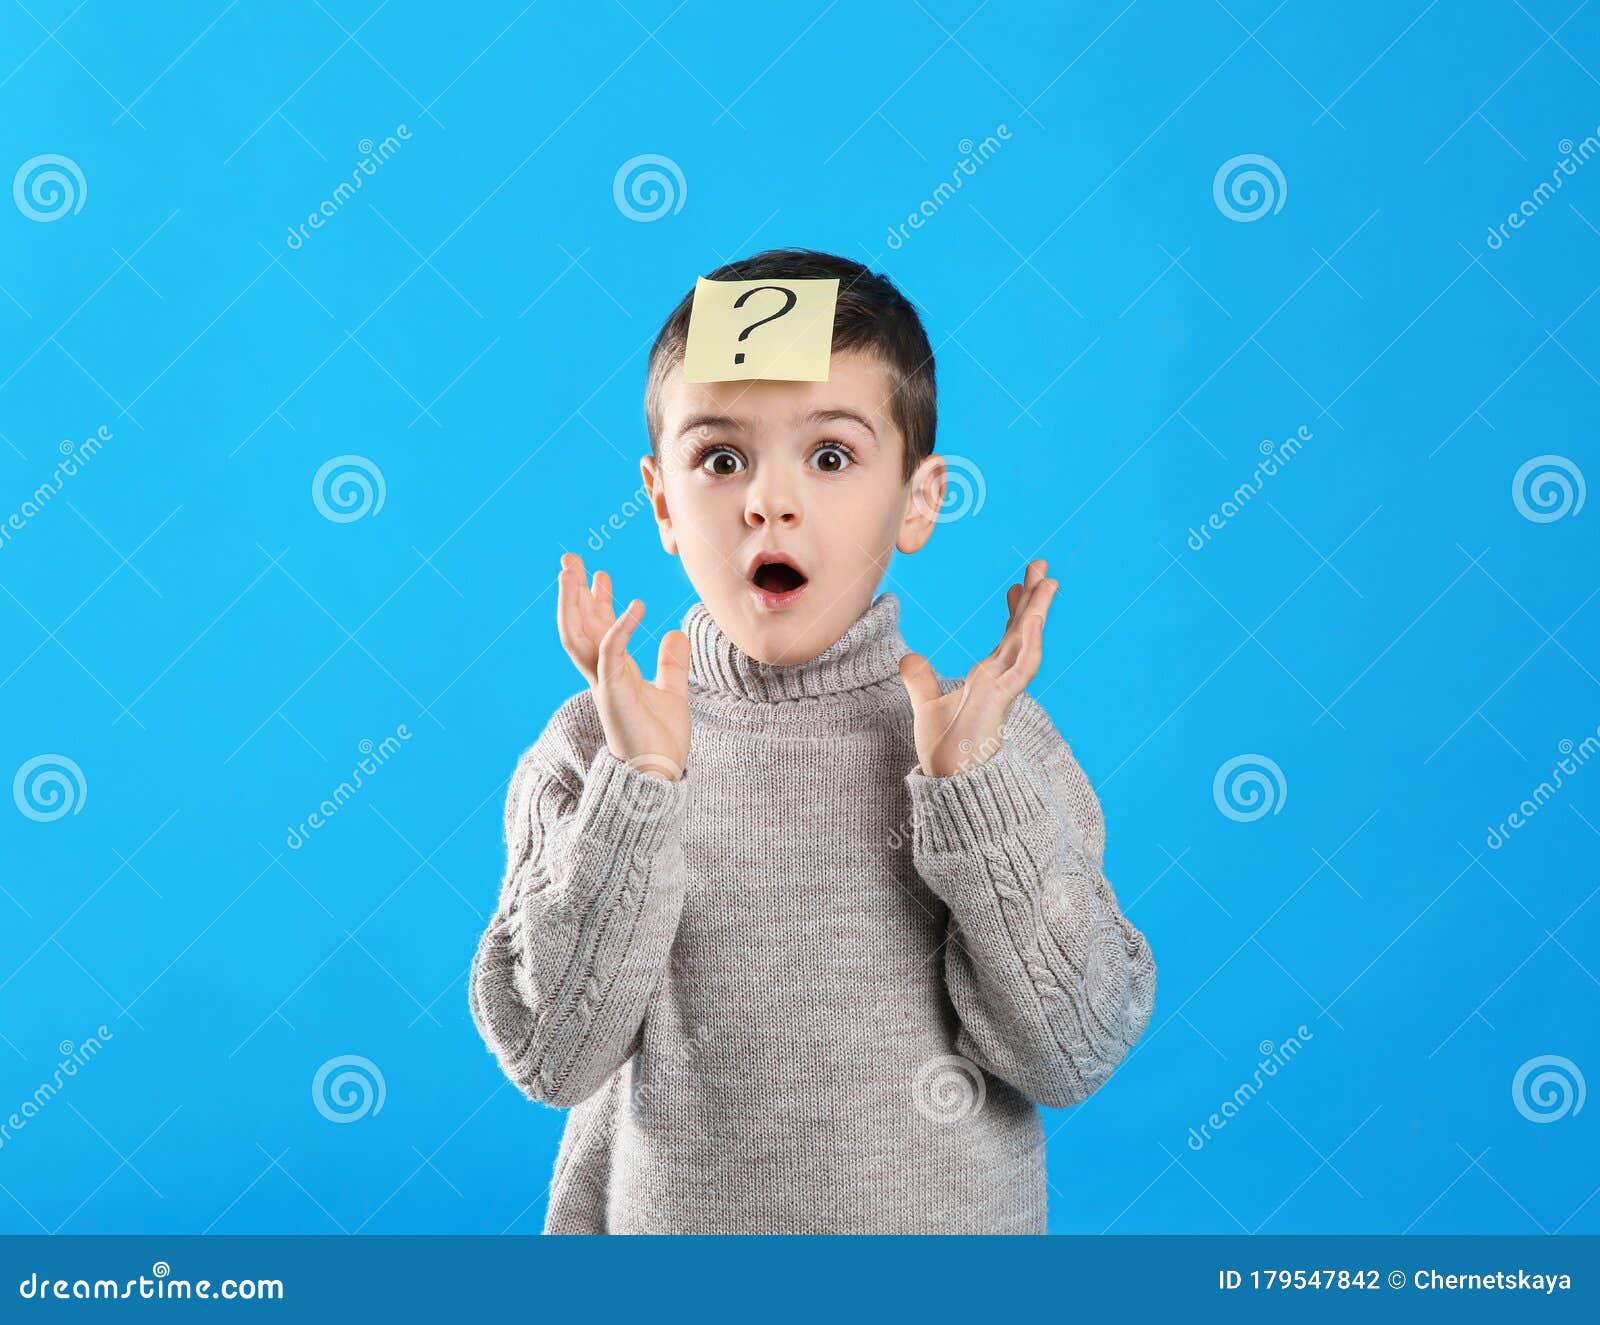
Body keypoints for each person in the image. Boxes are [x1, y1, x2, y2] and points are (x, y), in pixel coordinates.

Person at [467, 248, 1157, 1233]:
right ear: (662, 501)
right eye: (719, 458)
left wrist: (975, 792)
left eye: (830, 456)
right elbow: (549, 1056)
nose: (768, 500)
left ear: (918, 500)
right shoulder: (596, 744)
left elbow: (1071, 1052)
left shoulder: (987, 744)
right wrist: (637, 786)